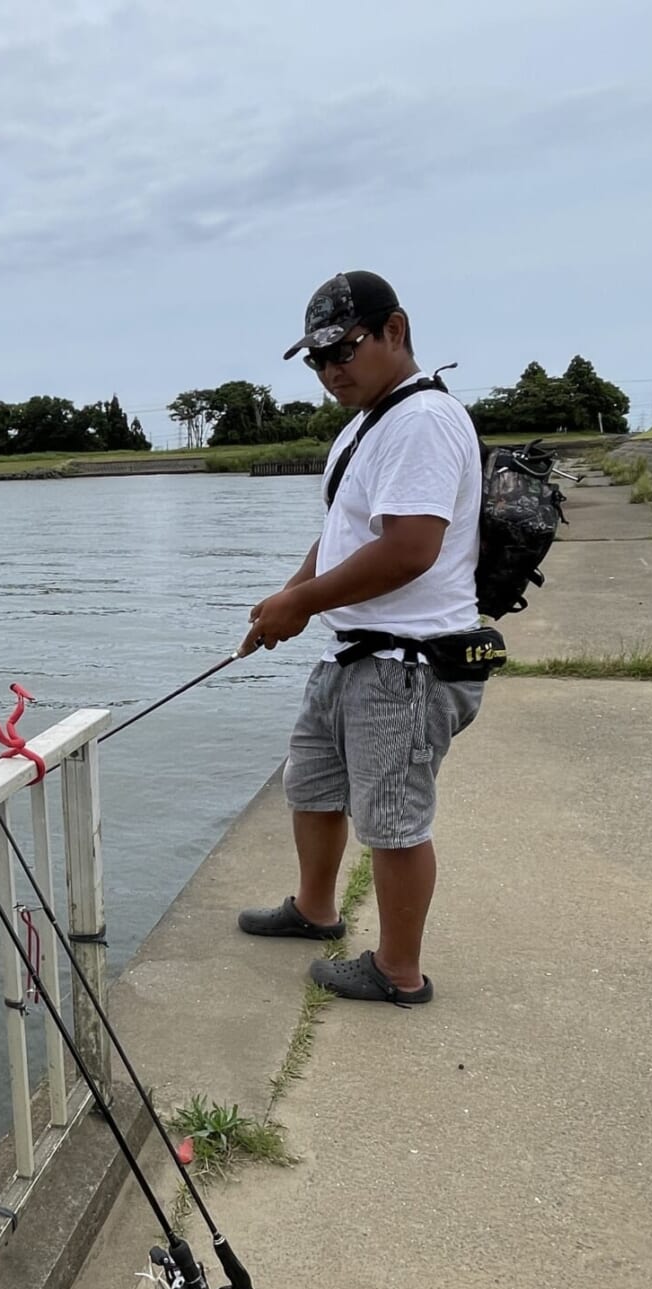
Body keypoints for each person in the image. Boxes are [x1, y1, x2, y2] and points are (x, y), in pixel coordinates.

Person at [237, 270, 484, 1005]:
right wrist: (291, 600)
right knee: (310, 787)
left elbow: (410, 547)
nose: (329, 370)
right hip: (351, 652)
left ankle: (397, 972)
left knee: (393, 820)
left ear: (394, 331)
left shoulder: (422, 421)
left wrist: (303, 603)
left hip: (405, 665)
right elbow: (345, 535)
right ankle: (314, 912)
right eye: (315, 360)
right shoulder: (368, 423)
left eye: (342, 349)